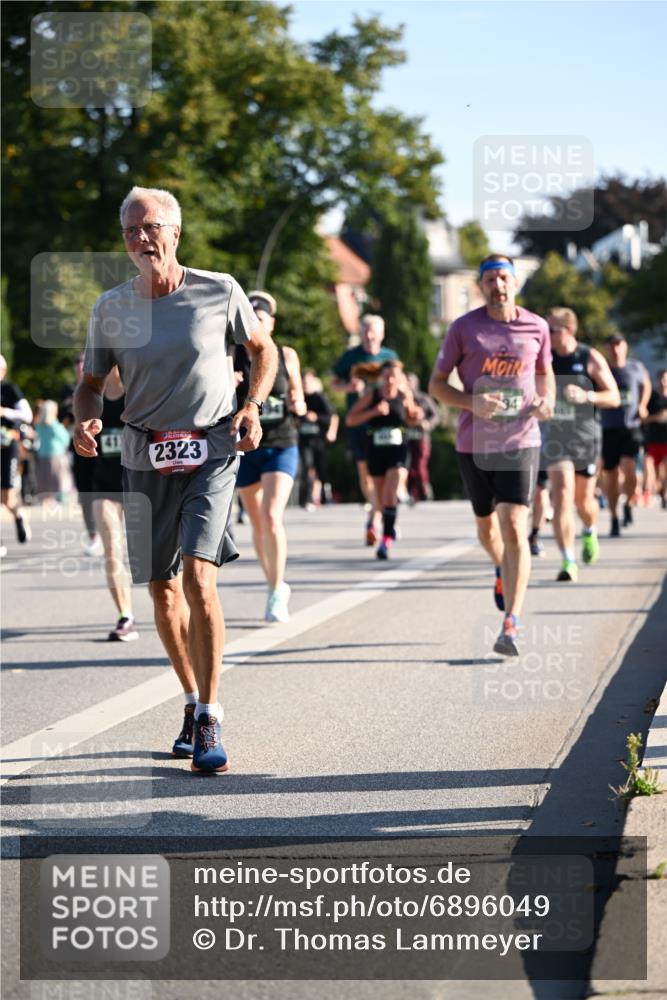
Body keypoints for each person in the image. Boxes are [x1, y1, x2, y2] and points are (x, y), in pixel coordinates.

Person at [73, 185, 277, 775]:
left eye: (151, 227)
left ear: (175, 232)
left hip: (212, 448)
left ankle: (212, 712)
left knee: (198, 576)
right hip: (143, 454)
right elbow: (91, 380)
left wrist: (253, 405)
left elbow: (261, 351)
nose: (140, 238)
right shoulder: (111, 307)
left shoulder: (219, 290)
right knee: (161, 590)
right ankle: (190, 699)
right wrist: (88, 413)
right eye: (130, 230)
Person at [429, 254, 555, 656]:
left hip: (521, 439)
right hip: (475, 443)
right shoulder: (464, 329)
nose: (498, 285)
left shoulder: (537, 326)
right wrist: (471, 403)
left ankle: (511, 622)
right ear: (481, 286)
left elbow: (544, 372)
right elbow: (436, 385)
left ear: (515, 282)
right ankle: (502, 569)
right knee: (487, 530)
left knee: (516, 524)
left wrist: (547, 400)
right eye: (490, 280)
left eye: (504, 278)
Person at [234, 290, 306, 623]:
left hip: (281, 442)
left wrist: (298, 401)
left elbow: (297, 395)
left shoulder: (286, 354)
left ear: (271, 324)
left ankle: (277, 591)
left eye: (261, 321)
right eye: (250, 320)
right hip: (247, 447)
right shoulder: (232, 356)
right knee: (258, 522)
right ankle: (272, 582)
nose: (255, 326)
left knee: (272, 516)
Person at [541, 308, 620, 581]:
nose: (547, 334)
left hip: (585, 437)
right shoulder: (544, 358)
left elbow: (614, 397)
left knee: (583, 502)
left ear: (568, 330)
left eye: (552, 329)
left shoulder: (588, 356)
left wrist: (587, 395)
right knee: (561, 495)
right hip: (555, 436)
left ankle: (589, 529)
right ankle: (568, 560)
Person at [331, 315, 398, 544]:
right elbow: (332, 382)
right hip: (359, 422)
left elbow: (402, 386)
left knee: (388, 472)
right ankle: (376, 513)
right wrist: (348, 386)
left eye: (373, 332)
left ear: (382, 333)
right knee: (365, 474)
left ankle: (375, 518)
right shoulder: (351, 357)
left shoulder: (389, 357)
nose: (369, 336)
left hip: (385, 425)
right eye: (365, 331)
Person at [346, 359, 422, 559]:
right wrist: (374, 412)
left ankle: (386, 541)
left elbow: (412, 419)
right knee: (380, 500)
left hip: (398, 450)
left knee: (391, 492)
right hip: (376, 450)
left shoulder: (404, 395)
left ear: (400, 378)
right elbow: (350, 419)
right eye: (386, 376)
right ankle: (381, 526)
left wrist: (416, 415)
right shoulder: (372, 395)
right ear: (381, 377)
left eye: (393, 377)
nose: (390, 381)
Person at [91, 366, 139, 641]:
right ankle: (125, 616)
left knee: (149, 554)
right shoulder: (90, 394)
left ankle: (172, 607)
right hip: (104, 485)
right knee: (112, 549)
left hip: (140, 484)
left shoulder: (139, 388)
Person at [600, 333, 652, 536]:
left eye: (618, 345)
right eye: (611, 345)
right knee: (611, 475)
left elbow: (646, 383)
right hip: (608, 427)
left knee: (629, 468)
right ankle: (614, 517)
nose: (615, 349)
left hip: (631, 426)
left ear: (625, 346)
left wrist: (643, 405)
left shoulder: (635, 367)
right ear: (606, 348)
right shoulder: (603, 369)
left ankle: (629, 502)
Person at [61, 353, 104, 556]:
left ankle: (112, 531)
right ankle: (94, 536)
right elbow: (61, 422)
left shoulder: (103, 386)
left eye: (83, 362)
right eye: (76, 362)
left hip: (104, 447)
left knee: (105, 489)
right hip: (78, 448)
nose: (79, 366)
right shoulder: (68, 392)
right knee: (85, 491)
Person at [1, 353, 33, 543]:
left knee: (6, 496)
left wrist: (5, 411)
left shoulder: (9, 389)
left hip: (7, 445)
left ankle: (18, 515)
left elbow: (27, 415)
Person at [298, 369, 339, 509]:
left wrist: (317, 418)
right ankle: (307, 498)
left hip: (318, 439)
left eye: (308, 382)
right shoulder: (299, 398)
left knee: (321, 468)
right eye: (303, 382)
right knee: (307, 467)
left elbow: (331, 416)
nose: (305, 385)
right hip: (304, 440)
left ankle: (326, 495)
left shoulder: (319, 397)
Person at [405, 372, 440, 503]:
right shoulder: (401, 398)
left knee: (419, 465)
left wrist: (427, 424)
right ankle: (410, 492)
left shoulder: (423, 399)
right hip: (406, 437)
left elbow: (435, 415)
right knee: (406, 465)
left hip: (421, 437)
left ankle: (424, 489)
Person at [34, 400, 73, 500]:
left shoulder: (39, 425)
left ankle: (45, 498)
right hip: (56, 455)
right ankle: (61, 499)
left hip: (42, 455)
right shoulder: (55, 426)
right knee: (59, 480)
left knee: (44, 479)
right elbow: (66, 439)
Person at [643, 368, 667, 509]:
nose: (664, 382)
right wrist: (657, 417)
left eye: (666, 378)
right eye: (661, 379)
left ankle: (665, 495)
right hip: (653, 439)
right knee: (656, 472)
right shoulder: (652, 397)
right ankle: (658, 491)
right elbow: (643, 418)